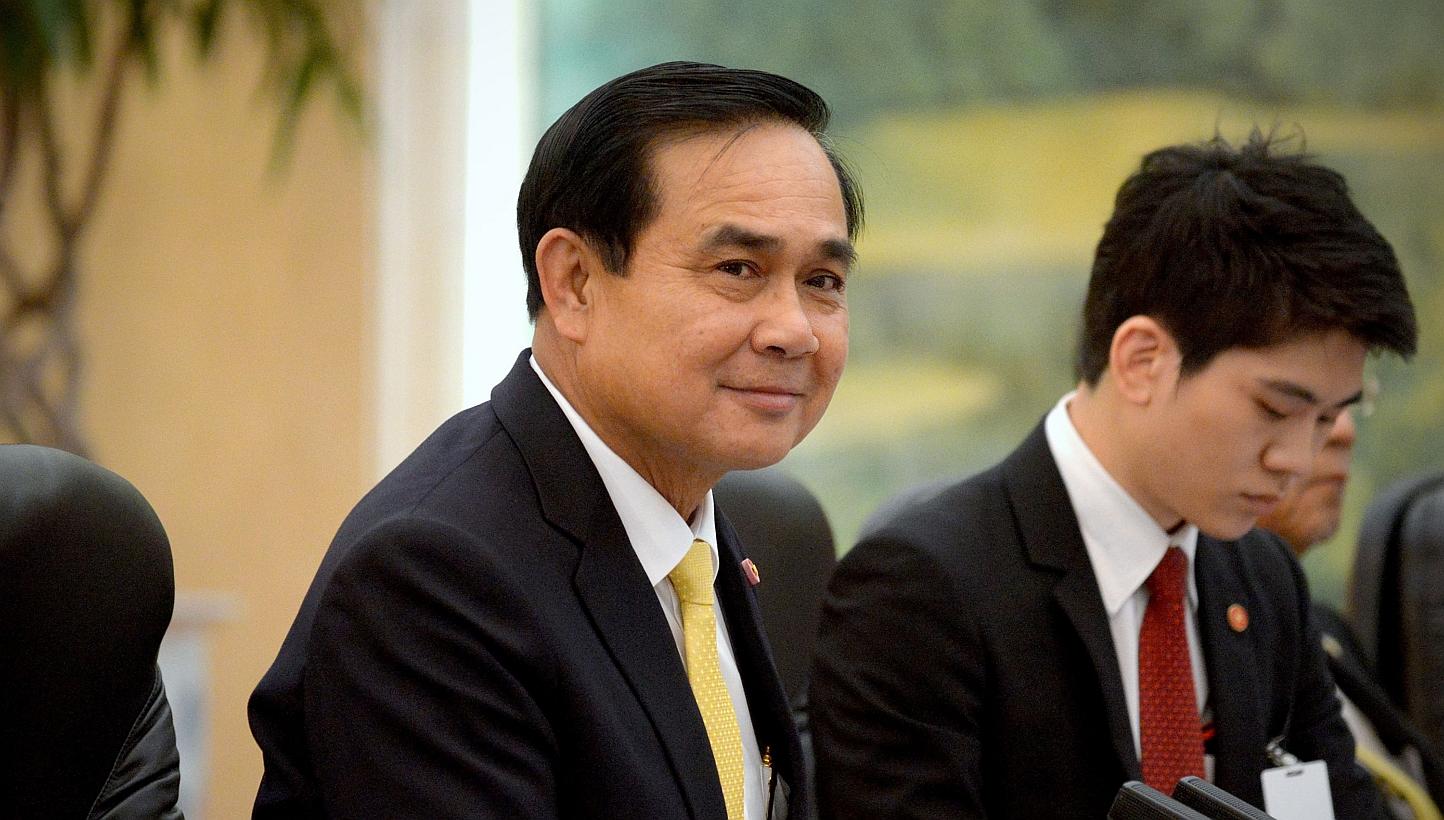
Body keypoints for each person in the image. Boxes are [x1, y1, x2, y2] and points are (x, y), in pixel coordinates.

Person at [249, 61, 862, 819]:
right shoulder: (433, 578)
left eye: (823, 282)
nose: (794, 330)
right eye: (738, 268)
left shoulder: (706, 534)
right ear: (573, 282)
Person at [809, 131, 1417, 819]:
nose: (1297, 462)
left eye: (1330, 420)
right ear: (1141, 359)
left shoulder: (1263, 576)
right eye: (1277, 408)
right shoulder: (921, 589)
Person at [1258, 410, 1444, 817]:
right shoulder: (1183, 641)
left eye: (1349, 401)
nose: (1343, 430)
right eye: (1296, 398)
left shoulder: (1327, 634)